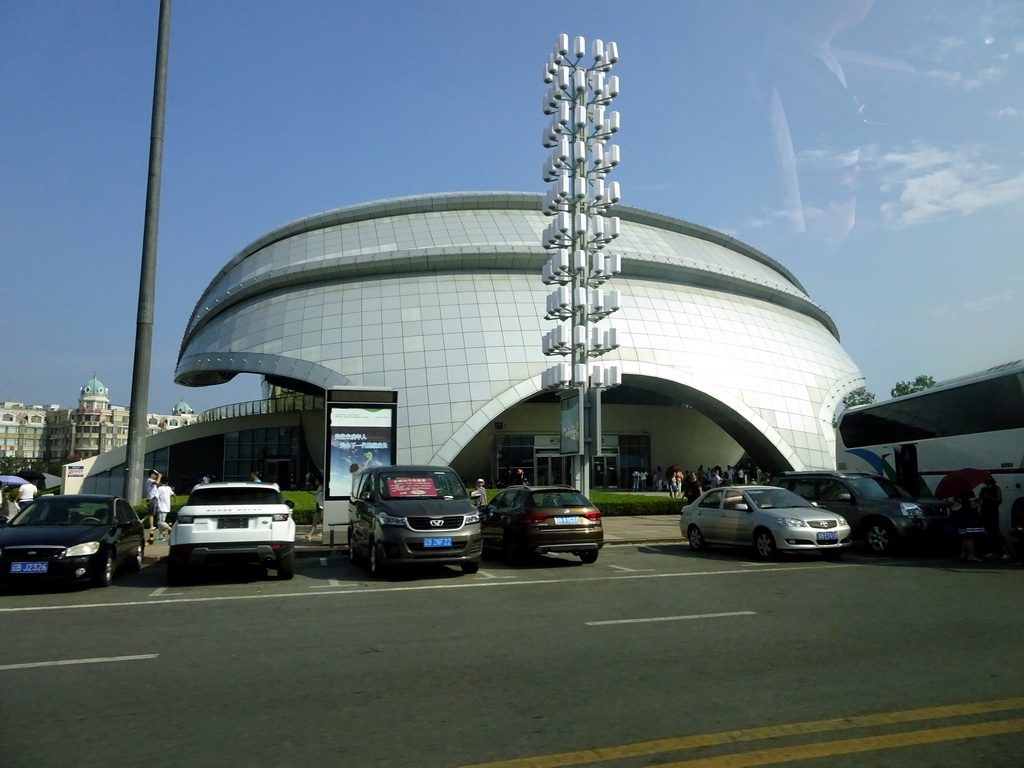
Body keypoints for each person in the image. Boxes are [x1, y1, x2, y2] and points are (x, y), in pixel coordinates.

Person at [978, 477, 1007, 561]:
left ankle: (1003, 551)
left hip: (993, 511)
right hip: (984, 511)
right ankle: (993, 550)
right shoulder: (983, 489)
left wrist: (989, 496)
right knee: (988, 531)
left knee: (995, 530)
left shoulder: (996, 488)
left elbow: (999, 500)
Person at [954, 490, 984, 562]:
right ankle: (971, 555)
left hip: (962, 516)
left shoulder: (957, 493)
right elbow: (973, 505)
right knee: (970, 536)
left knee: (965, 536)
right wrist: (980, 502)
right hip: (970, 517)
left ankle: (964, 553)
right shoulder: (969, 492)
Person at [154, 477, 174, 542]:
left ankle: (171, 530)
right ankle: (160, 536)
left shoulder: (160, 488)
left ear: (161, 482)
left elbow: (155, 496)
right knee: (161, 522)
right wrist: (175, 500)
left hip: (161, 507)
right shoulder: (169, 488)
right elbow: (173, 494)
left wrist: (149, 502)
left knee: (160, 522)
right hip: (167, 507)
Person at [143, 469, 161, 535]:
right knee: (151, 513)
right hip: (151, 499)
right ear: (151, 475)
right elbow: (157, 482)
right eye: (155, 475)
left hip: (153, 498)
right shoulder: (150, 480)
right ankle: (151, 526)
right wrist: (159, 476)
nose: (156, 476)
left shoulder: (151, 480)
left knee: (152, 512)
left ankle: (141, 521)